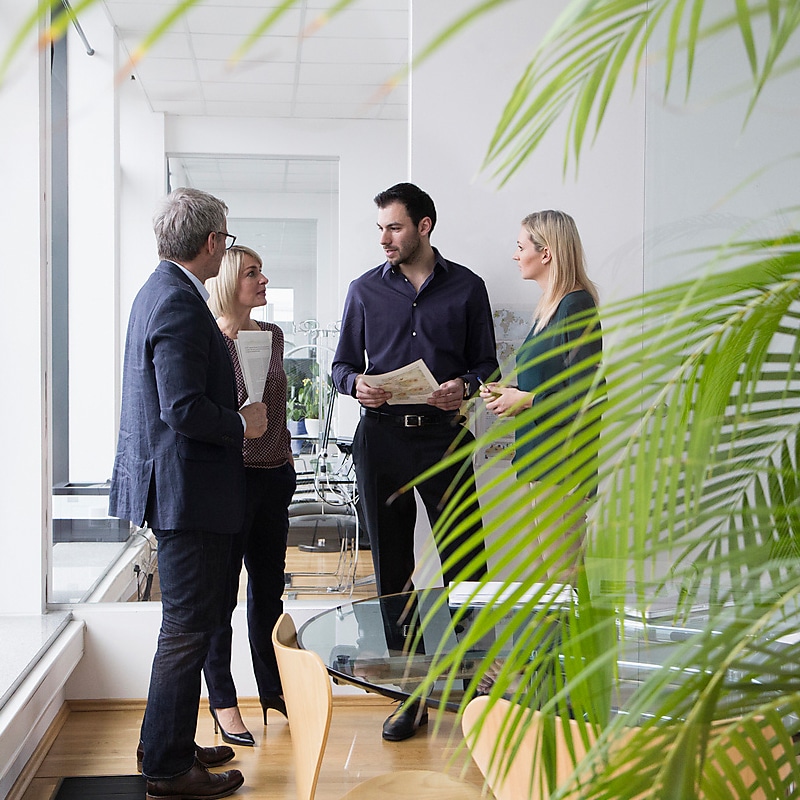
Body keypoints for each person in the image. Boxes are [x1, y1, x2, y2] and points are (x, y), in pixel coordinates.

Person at [109, 188, 267, 800]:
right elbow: (181, 408)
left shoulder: (159, 290)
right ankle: (171, 769)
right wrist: (242, 424)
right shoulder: (177, 301)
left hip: (181, 489)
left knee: (189, 625)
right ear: (211, 243)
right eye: (225, 242)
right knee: (187, 628)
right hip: (190, 492)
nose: (225, 251)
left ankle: (164, 744)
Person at [331, 182, 499, 741]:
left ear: (424, 226)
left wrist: (465, 386)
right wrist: (358, 385)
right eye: (380, 228)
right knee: (394, 572)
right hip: (380, 441)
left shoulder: (468, 288)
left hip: (445, 438)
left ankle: (479, 690)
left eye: (394, 227)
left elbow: (486, 365)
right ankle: (411, 695)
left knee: (466, 563)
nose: (384, 238)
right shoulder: (362, 291)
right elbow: (340, 368)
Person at [202, 245, 296, 745]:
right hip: (231, 481)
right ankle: (223, 702)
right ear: (228, 281)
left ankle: (274, 691)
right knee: (220, 599)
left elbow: (275, 409)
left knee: (268, 593)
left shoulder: (273, 336)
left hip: (275, 479)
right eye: (252, 273)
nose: (263, 280)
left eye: (263, 270)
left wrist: (285, 458)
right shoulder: (214, 340)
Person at [480, 210, 602, 584]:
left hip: (561, 465)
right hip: (541, 462)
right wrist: (512, 393)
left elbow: (588, 394)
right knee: (550, 585)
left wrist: (526, 400)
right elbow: (554, 382)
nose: (516, 255)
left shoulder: (575, 305)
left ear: (545, 253)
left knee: (560, 585)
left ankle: (571, 645)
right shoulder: (550, 308)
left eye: (521, 247)